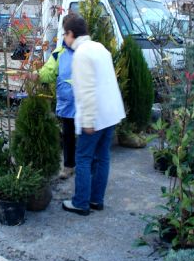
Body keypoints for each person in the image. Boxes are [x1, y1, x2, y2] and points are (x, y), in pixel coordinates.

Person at [61, 14, 125, 216]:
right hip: (111, 113)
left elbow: (86, 91)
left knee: (84, 157)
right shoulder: (100, 48)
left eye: (65, 34)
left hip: (95, 116)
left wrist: (87, 121)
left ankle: (80, 203)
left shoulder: (81, 54)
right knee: (102, 157)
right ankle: (96, 200)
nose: (64, 38)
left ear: (71, 33)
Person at [33, 40, 76, 179]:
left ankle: (87, 166)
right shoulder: (59, 52)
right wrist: (37, 75)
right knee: (68, 134)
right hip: (68, 103)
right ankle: (69, 166)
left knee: (86, 136)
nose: (65, 36)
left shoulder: (86, 50)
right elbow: (48, 72)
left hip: (85, 102)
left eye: (67, 32)